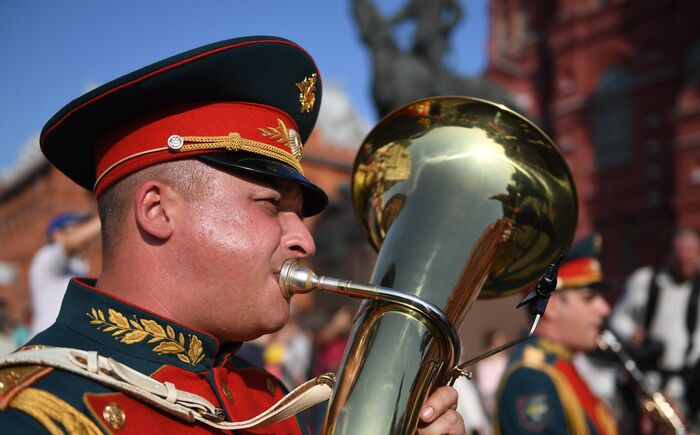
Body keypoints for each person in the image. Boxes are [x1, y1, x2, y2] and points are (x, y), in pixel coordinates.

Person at [0, 36, 464, 434]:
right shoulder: (33, 415)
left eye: (299, 214)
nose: (306, 241)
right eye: (270, 204)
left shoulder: (268, 399)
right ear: (157, 211)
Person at [610, 226, 700, 415]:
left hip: (696, 386)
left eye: (692, 258)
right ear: (669, 254)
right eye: (679, 259)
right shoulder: (644, 280)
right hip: (650, 384)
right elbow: (617, 317)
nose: (685, 264)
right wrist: (630, 332)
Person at [494, 234, 618, 435]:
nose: (604, 309)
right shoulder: (531, 378)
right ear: (550, 305)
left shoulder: (559, 364)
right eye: (589, 298)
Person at [28, 211, 101, 337]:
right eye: (75, 229)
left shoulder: (79, 266)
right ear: (56, 234)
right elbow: (72, 243)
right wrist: (110, 214)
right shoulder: (46, 256)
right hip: (46, 343)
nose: (81, 232)